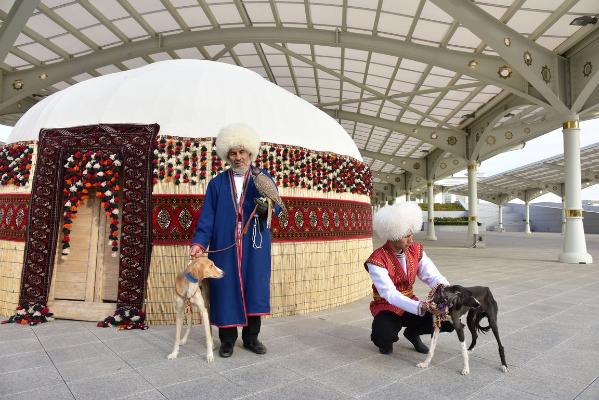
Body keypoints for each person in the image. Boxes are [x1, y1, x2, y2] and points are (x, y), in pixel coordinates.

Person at [189, 123, 279, 358]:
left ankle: (251, 338)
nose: (238, 157)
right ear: (226, 155)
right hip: (224, 244)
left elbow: (276, 208)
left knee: (254, 287)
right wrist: (199, 242)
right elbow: (207, 216)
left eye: (242, 152)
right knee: (224, 289)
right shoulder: (217, 184)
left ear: (250, 152)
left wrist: (264, 209)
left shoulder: (263, 178)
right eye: (233, 153)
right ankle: (227, 341)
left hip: (255, 244)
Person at [365, 202, 453, 355]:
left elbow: (432, 275)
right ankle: (385, 340)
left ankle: (412, 333)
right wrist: (421, 306)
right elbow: (390, 294)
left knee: (446, 321)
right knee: (383, 337)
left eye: (411, 234)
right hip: (387, 306)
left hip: (410, 300)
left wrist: (447, 290)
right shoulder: (376, 259)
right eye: (406, 236)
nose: (411, 240)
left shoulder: (415, 250)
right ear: (393, 235)